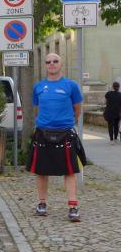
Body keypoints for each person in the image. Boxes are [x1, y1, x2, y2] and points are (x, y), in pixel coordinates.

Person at [26, 53, 84, 222]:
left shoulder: (71, 86)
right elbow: (37, 109)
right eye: (48, 62)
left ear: (61, 64)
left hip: (65, 133)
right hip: (43, 133)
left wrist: (69, 122)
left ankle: (73, 207)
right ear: (45, 65)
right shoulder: (38, 87)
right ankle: (42, 204)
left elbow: (77, 109)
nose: (51, 64)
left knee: (69, 171)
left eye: (55, 61)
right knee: (41, 171)